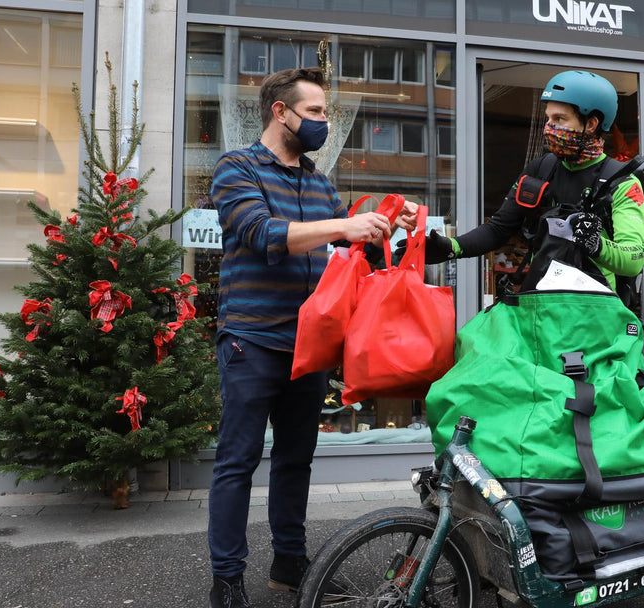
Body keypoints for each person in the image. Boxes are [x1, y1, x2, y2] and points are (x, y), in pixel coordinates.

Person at [207, 67, 416, 608]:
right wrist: (343, 225)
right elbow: (261, 233)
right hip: (250, 340)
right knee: (238, 462)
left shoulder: (318, 181)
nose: (324, 122)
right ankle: (227, 578)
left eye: (325, 112)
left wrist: (385, 219)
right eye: (316, 112)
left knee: (296, 460)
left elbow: (349, 248)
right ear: (281, 112)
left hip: (308, 343)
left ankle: (289, 565)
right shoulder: (237, 168)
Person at [411, 70, 644, 298]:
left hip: (595, 314)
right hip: (541, 305)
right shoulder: (541, 169)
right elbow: (499, 228)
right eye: (548, 118)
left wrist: (596, 245)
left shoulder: (622, 182)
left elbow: (634, 259)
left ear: (592, 124)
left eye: (559, 119)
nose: (549, 127)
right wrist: (451, 247)